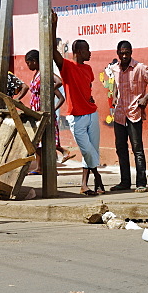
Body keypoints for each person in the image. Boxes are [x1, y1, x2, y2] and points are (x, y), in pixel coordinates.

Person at [51, 11, 105, 196]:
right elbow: (52, 51)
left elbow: (87, 86)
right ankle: (97, 179)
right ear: (79, 52)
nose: (90, 52)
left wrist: (88, 98)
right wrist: (54, 25)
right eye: (87, 49)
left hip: (92, 113)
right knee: (88, 150)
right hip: (77, 117)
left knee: (91, 150)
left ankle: (84, 185)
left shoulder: (88, 68)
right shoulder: (67, 67)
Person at [108, 40, 148, 192]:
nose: (124, 56)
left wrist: (146, 98)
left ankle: (140, 183)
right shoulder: (115, 69)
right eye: (121, 53)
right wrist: (114, 94)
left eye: (127, 53)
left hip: (134, 113)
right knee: (121, 148)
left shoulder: (140, 68)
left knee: (137, 148)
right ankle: (125, 181)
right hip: (119, 113)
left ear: (131, 52)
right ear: (117, 53)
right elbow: (115, 83)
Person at [22, 49, 73, 172]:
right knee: (38, 141)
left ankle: (59, 157)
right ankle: (40, 168)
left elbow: (59, 82)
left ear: (34, 61)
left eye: (28, 63)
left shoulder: (45, 73)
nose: (27, 66)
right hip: (35, 112)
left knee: (47, 140)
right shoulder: (37, 74)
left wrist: (47, 92)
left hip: (43, 111)